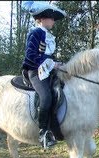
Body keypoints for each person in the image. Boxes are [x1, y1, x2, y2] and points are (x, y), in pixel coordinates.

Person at [21, 1, 66, 149]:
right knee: (46, 97)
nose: (53, 21)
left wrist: (57, 63)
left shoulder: (48, 36)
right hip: (34, 72)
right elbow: (30, 57)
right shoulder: (35, 33)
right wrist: (52, 64)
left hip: (48, 72)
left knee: (60, 91)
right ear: (41, 19)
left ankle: (56, 127)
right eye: (50, 18)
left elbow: (48, 57)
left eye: (53, 18)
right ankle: (43, 132)